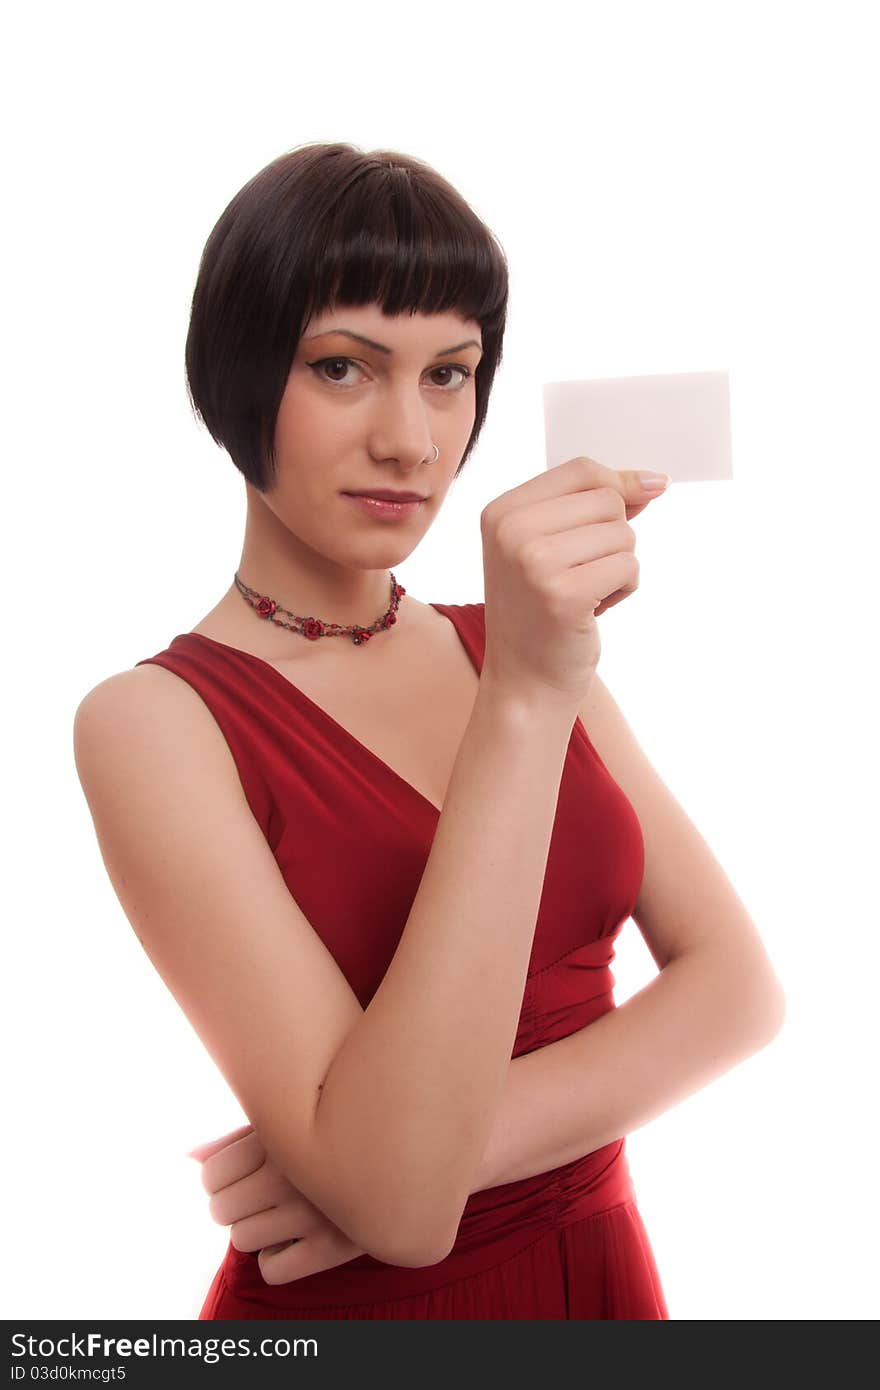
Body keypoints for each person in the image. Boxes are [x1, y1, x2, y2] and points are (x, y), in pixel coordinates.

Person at [73, 141, 786, 1320]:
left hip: (600, 1273)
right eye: (344, 367)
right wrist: (523, 697)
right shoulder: (155, 721)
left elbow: (737, 990)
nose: (410, 439)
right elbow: (402, 1211)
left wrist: (419, 1149)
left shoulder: (500, 638)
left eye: (449, 374)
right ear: (236, 376)